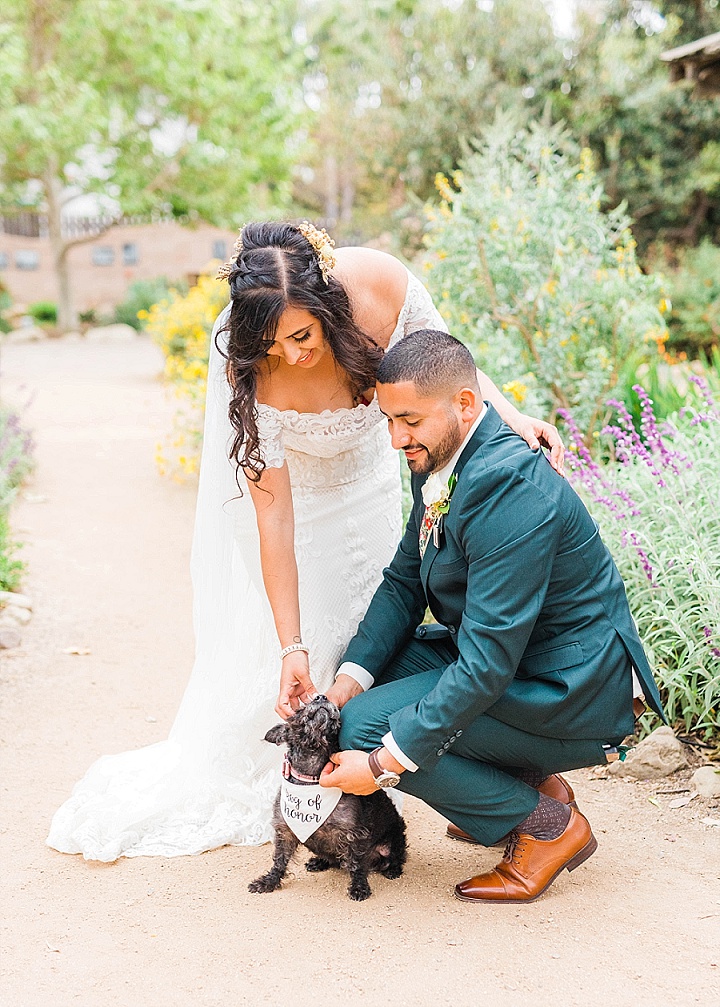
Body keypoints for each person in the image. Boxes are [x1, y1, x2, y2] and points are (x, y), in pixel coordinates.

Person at [47, 222, 565, 861]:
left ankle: (475, 781)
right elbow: (274, 521)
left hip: (371, 486)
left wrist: (509, 417)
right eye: (271, 343)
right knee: (323, 656)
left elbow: (446, 368)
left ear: (328, 307)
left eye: (301, 335)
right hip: (298, 512)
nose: (290, 355)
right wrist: (290, 644)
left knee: (386, 645)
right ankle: (338, 800)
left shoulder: (380, 284)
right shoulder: (250, 374)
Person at [321, 327, 664, 903]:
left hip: (568, 687)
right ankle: (527, 784)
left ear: (465, 403)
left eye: (409, 420)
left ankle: (546, 828)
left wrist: (380, 767)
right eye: (388, 420)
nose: (395, 438)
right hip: (515, 656)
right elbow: (406, 580)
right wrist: (343, 685)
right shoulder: (440, 453)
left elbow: (484, 666)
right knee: (372, 680)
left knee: (369, 729)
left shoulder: (510, 487)